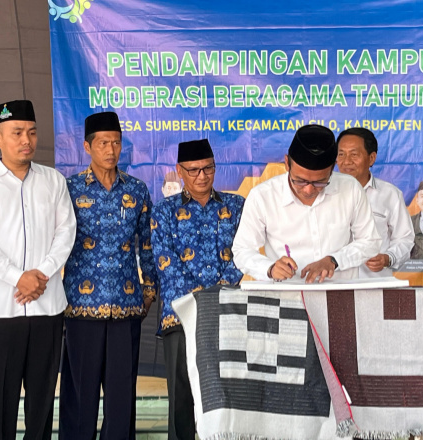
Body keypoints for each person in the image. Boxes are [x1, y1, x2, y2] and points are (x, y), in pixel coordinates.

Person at [0, 100, 76, 440]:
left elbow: (66, 231)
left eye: (31, 132)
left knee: (41, 401)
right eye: (16, 133)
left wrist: (40, 274)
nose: (26, 140)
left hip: (46, 306)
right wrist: (18, 278)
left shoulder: (53, 181)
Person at [60, 111, 158, 440]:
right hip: (81, 305)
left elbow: (147, 244)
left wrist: (148, 292)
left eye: (116, 142)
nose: (111, 149)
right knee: (80, 394)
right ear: (87, 147)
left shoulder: (137, 190)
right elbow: (56, 243)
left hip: (126, 304)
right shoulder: (69, 189)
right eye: (103, 143)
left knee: (121, 397)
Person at [152, 139, 245, 440]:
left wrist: (219, 296)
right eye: (193, 171)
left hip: (229, 313)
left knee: (228, 396)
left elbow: (244, 256)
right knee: (182, 397)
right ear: (180, 171)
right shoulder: (164, 212)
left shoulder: (237, 207)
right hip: (180, 317)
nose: (202, 177)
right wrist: (199, 302)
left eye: (207, 169)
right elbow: (165, 263)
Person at [232, 124, 381, 282]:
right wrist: (269, 269)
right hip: (286, 296)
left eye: (320, 183)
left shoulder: (350, 188)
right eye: (300, 181)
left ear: (332, 170)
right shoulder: (263, 196)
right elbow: (242, 250)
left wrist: (335, 260)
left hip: (338, 296)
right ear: (287, 164)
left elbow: (370, 241)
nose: (309, 190)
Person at [336, 127, 414, 276]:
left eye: (354, 154)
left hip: (374, 284)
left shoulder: (390, 194)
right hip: (335, 284)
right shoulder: (325, 193)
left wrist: (388, 258)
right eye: (341, 154)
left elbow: (405, 239)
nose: (346, 161)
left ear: (371, 158)